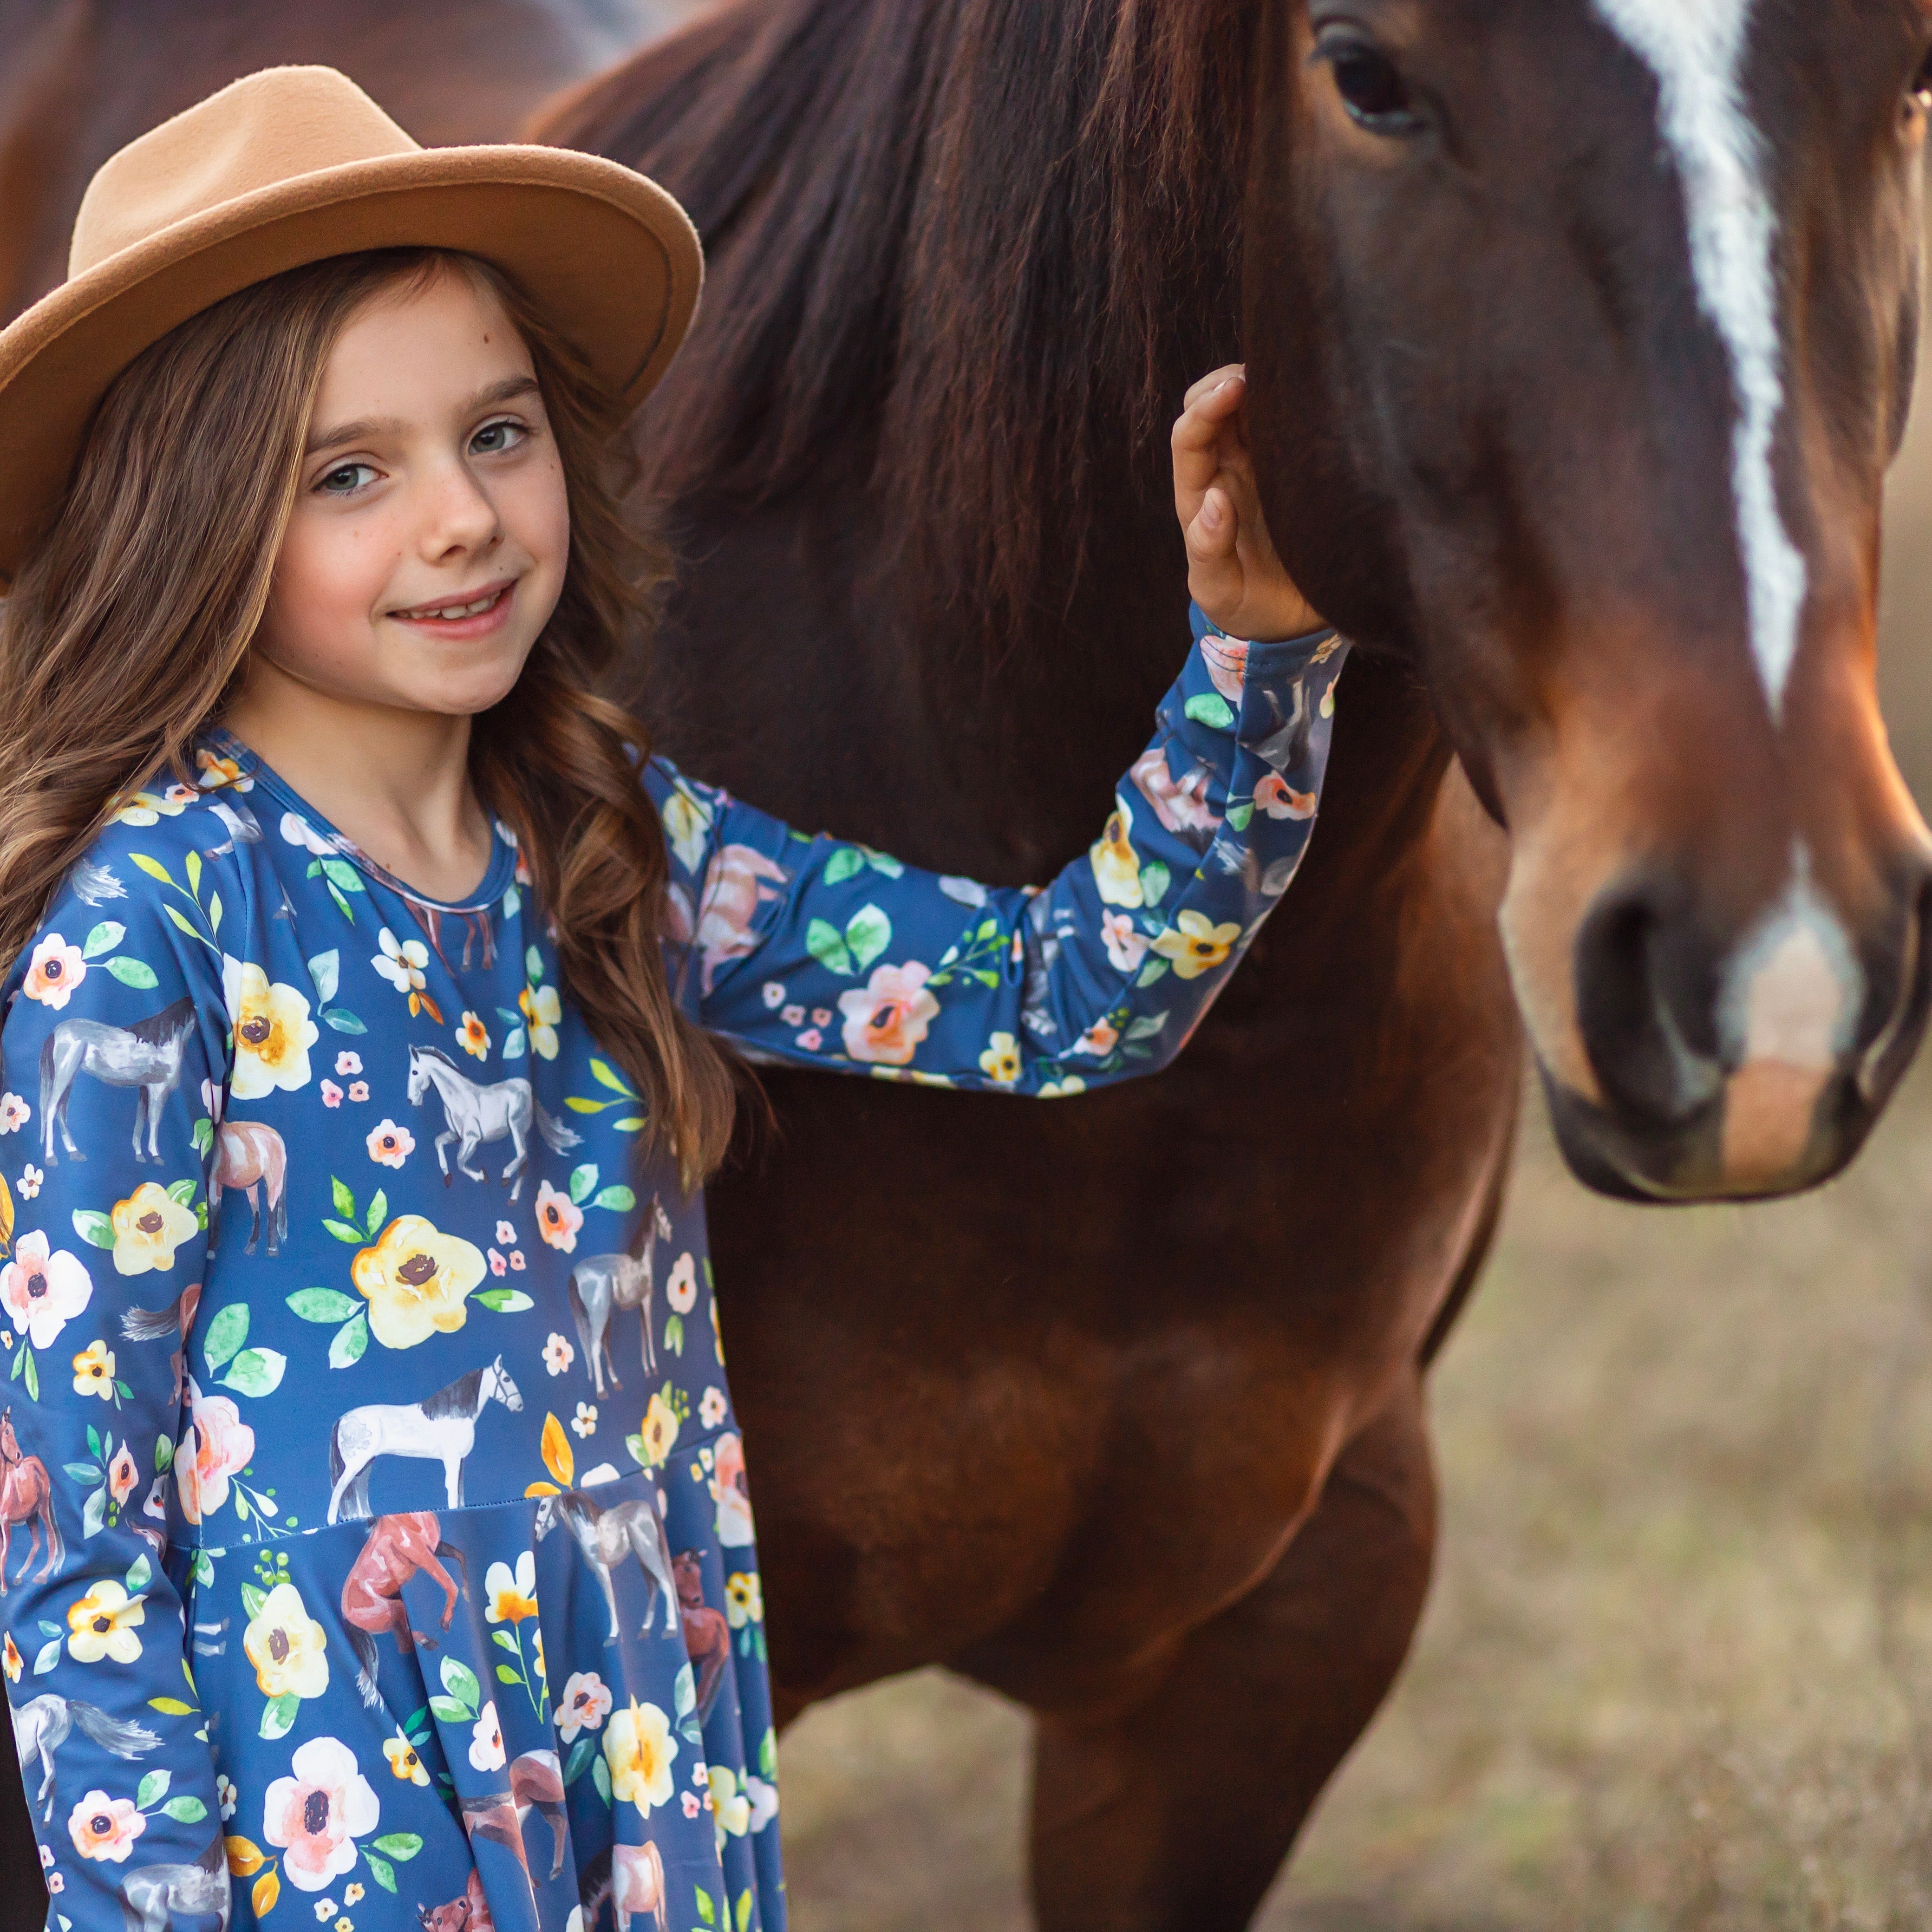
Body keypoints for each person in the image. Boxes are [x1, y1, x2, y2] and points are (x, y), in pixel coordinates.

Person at [0, 66, 1343, 1932]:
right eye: (348, 473)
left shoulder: (611, 846)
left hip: (644, 1782)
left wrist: (1253, 659)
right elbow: (75, 1537)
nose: (462, 519)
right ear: (191, 523)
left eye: (498, 433)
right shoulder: (150, 930)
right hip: (328, 1836)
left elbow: (1066, 992)